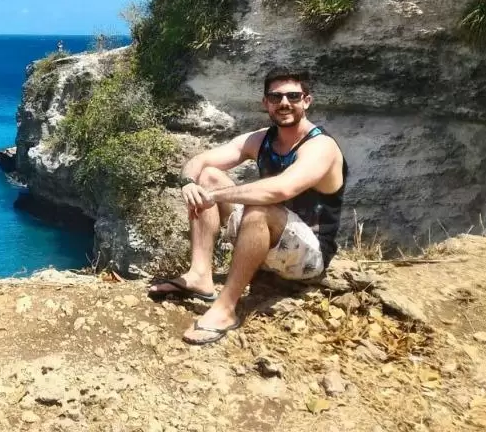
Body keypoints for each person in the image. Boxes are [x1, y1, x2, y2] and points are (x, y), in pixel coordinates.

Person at [148, 66, 348, 345]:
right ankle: (199, 276)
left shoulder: (320, 147)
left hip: (307, 257)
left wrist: (216, 197)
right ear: (265, 103)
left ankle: (225, 309)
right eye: (276, 97)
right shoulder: (261, 139)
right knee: (208, 177)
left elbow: (281, 189)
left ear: (306, 101)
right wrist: (189, 183)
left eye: (293, 96)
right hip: (264, 242)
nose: (284, 103)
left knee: (258, 208)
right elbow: (202, 161)